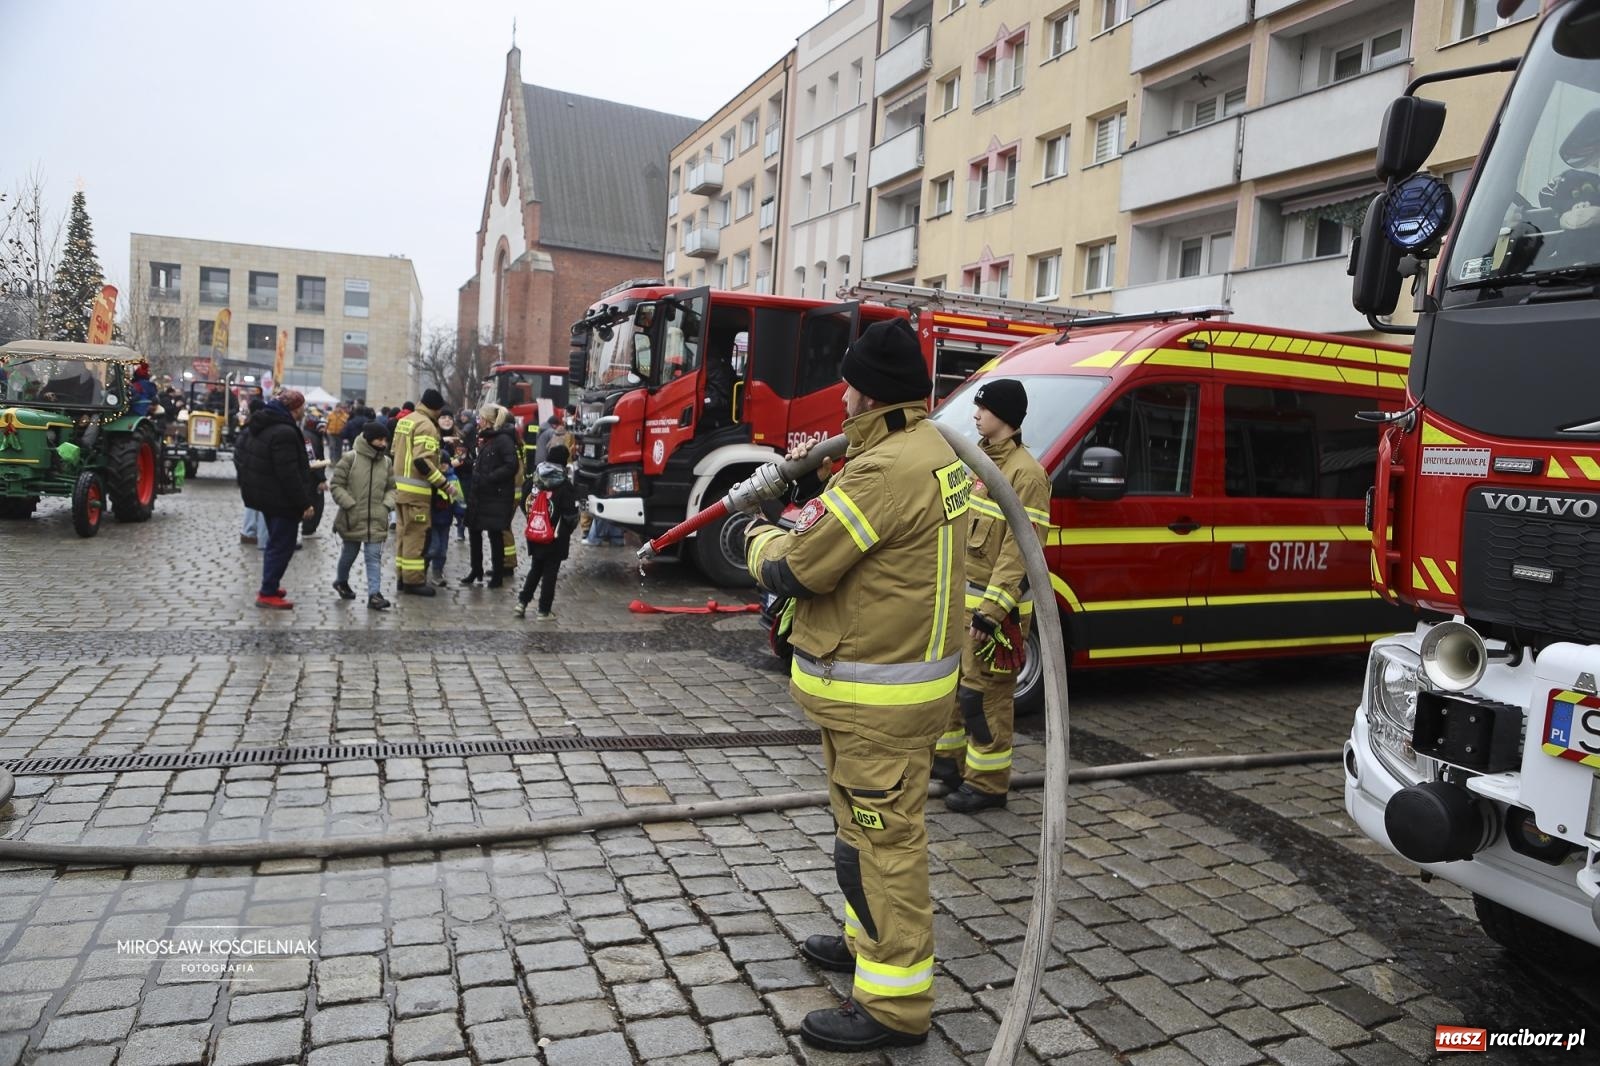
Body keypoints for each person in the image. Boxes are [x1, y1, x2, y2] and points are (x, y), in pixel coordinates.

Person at [744, 318, 965, 1052]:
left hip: (879, 699)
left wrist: (759, 535)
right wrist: (809, 486)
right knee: (860, 837)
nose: (839, 396)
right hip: (887, 691)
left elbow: (800, 567)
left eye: (848, 383)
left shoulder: (885, 469)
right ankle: (863, 943)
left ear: (869, 393)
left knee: (884, 846)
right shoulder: (926, 450)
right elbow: (859, 537)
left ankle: (895, 1006)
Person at [931, 379, 1049, 813]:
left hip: (993, 620)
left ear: (1006, 416)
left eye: (983, 408)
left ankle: (987, 784)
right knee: (956, 692)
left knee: (984, 700)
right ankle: (949, 765)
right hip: (959, 611)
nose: (976, 414)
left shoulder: (1027, 475)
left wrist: (991, 614)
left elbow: (1021, 553)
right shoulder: (976, 463)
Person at [235, 389, 315, 609]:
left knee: (276, 543)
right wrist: (304, 503)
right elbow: (288, 473)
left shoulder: (264, 424)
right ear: (295, 408)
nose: (304, 412)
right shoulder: (284, 432)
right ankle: (267, 591)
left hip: (267, 495)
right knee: (281, 545)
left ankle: (271, 585)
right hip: (281, 499)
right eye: (302, 408)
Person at [392, 388, 460, 597]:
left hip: (401, 490)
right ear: (436, 408)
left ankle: (403, 577)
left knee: (403, 534)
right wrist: (443, 484)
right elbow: (422, 461)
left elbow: (394, 451)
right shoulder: (427, 426)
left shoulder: (406, 420)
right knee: (416, 536)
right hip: (417, 492)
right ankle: (414, 581)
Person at [330, 421, 396, 610]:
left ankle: (374, 595)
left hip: (377, 518)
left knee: (373, 557)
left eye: (385, 440)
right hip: (352, 518)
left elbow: (392, 489)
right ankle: (341, 581)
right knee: (349, 554)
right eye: (379, 439)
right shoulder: (351, 459)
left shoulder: (386, 462)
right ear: (368, 439)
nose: (383, 443)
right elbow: (336, 485)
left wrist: (386, 505)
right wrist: (349, 504)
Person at [515, 443, 579, 620]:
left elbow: (523, 502)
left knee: (535, 568)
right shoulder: (564, 485)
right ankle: (544, 610)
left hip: (535, 533)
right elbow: (571, 515)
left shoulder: (534, 479)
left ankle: (522, 603)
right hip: (555, 537)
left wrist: (534, 520)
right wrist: (566, 529)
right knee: (550, 573)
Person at [471, 403, 522, 588]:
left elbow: (511, 466)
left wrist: (489, 478)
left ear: (486, 420)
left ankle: (501, 570)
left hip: (499, 494)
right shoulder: (489, 439)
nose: (478, 422)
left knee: (498, 533)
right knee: (483, 531)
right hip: (486, 493)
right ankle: (482, 568)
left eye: (480, 418)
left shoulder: (503, 440)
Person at [239, 396, 268, 545]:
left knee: (252, 504)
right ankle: (252, 533)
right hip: (254, 472)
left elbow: (239, 452)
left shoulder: (248, 429)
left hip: (249, 472)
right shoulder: (255, 430)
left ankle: (249, 532)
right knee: (259, 505)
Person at [301, 417, 329, 537]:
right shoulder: (309, 439)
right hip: (312, 478)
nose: (324, 430)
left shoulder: (309, 436)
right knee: (316, 503)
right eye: (321, 427)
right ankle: (308, 529)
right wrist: (321, 479)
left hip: (310, 476)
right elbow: (312, 461)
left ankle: (308, 529)